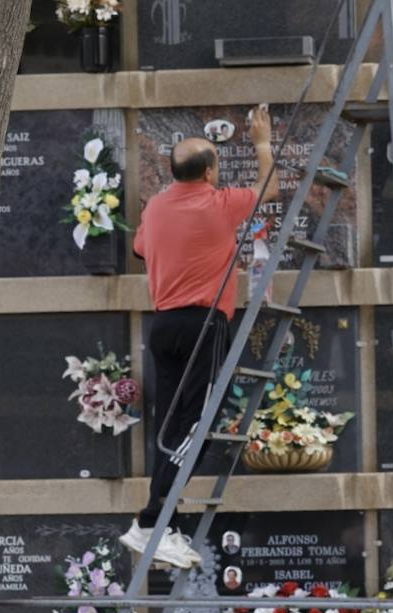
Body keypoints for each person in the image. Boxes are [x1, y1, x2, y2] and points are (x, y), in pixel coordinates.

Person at [119, 107, 280, 568]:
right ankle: (152, 521)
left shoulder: (155, 206)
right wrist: (263, 142)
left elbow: (139, 248)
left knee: (173, 425)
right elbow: (270, 190)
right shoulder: (218, 203)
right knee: (198, 425)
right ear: (210, 171)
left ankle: (159, 524)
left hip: (164, 326)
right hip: (204, 326)